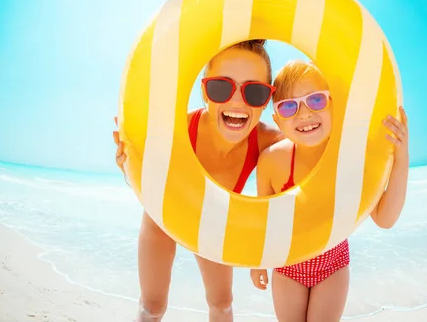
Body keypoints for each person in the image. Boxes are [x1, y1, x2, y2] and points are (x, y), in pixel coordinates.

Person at [113, 39, 283, 322]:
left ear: (267, 100)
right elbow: (142, 170)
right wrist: (129, 165)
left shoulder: (269, 140)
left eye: (254, 92)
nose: (237, 101)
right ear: (204, 90)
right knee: (152, 307)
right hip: (162, 220)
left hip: (212, 223)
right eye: (221, 87)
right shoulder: (175, 130)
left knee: (223, 303)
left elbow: (316, 157)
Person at [249, 60, 410, 322]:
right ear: (278, 119)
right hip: (288, 266)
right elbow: (264, 219)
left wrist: (401, 158)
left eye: (315, 100)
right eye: (289, 106)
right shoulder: (271, 161)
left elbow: (385, 218)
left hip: (332, 265)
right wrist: (257, 261)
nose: (303, 114)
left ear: (335, 104)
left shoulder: (348, 160)